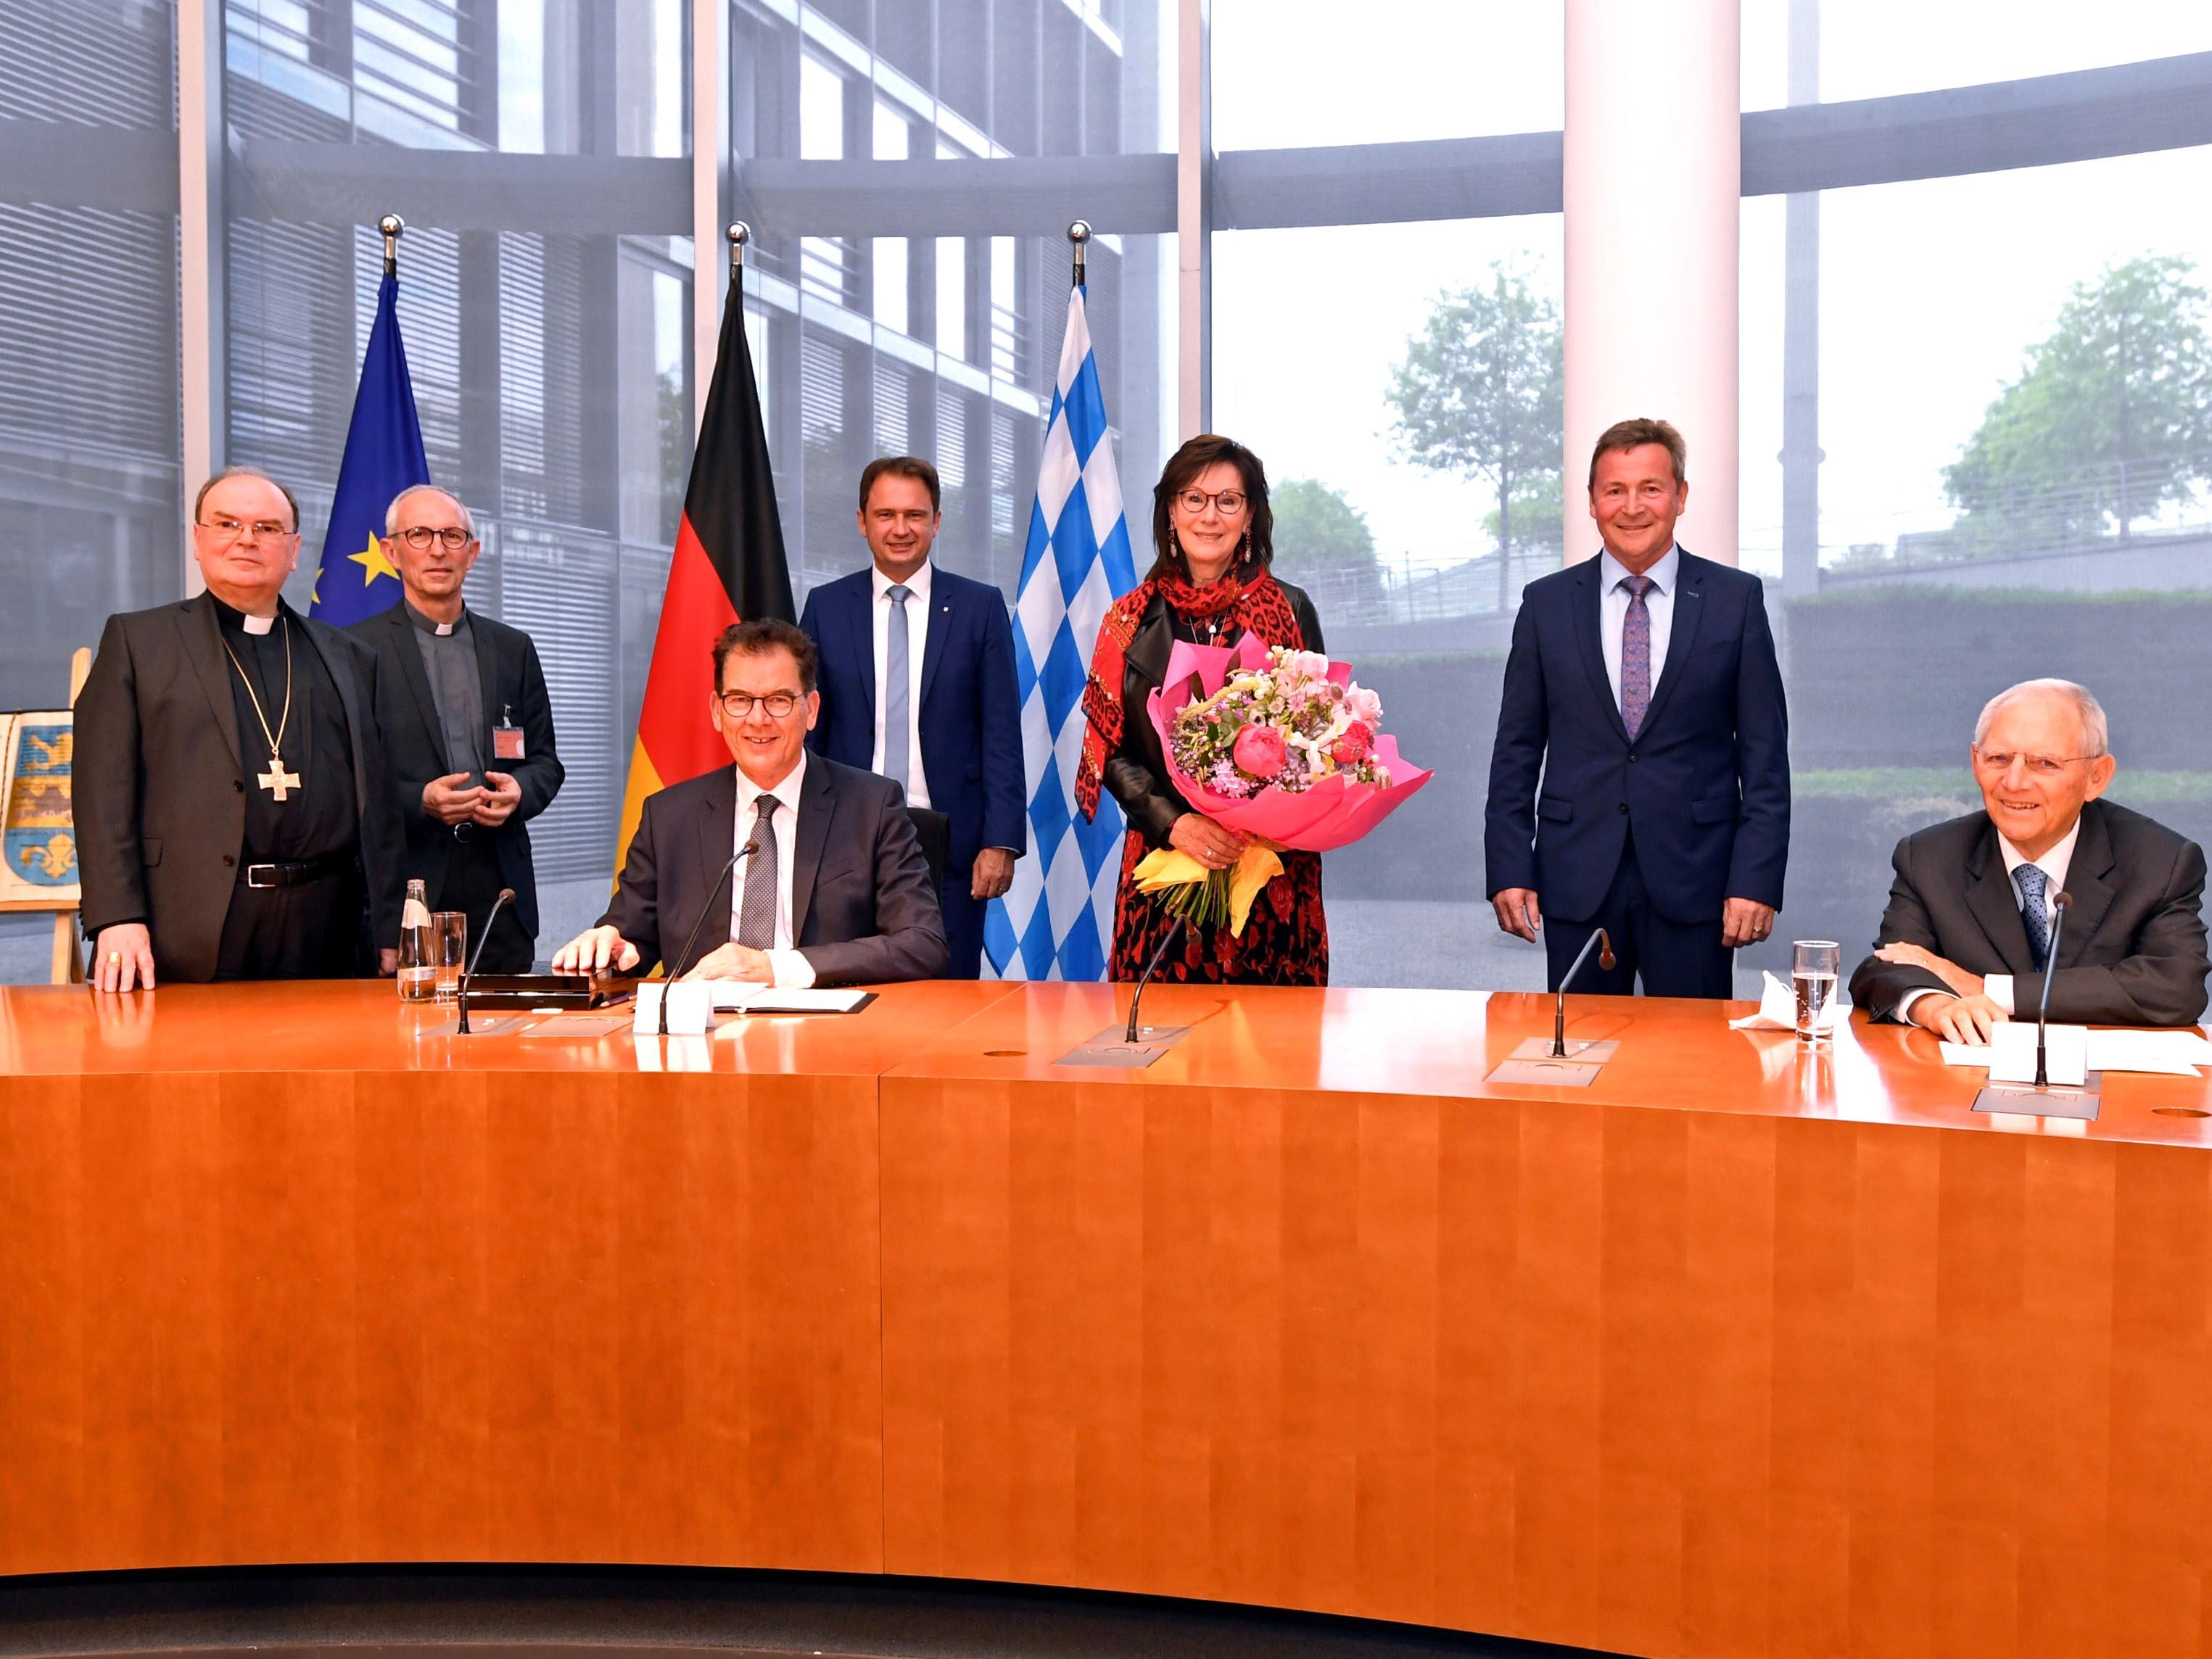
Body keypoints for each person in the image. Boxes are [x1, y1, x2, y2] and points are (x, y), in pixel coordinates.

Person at [1484, 417, 1790, 998]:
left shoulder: (1736, 600)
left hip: (1697, 878)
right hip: (1575, 876)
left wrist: (1756, 879)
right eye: (1614, 490)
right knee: (1578, 1064)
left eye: (1650, 488)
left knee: (1695, 1067)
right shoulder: (1546, 605)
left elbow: (1766, 759)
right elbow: (1516, 750)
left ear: (1680, 496)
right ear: (1592, 503)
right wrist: (1509, 865)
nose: (1632, 507)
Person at [75, 467, 406, 989]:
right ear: (199, 539)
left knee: (325, 1071)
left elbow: (379, 805)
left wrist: (391, 922)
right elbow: (101, 794)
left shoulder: (349, 658)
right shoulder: (140, 643)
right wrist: (116, 917)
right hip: (188, 924)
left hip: (329, 926)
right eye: (227, 524)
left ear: (294, 550)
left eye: (267, 528)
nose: (247, 539)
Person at [553, 618, 946, 985]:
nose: (758, 720)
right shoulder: (669, 817)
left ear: (811, 711)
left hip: (830, 1035)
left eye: (778, 700)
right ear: (716, 712)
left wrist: (774, 968)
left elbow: (921, 943)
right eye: (739, 700)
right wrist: (610, 944)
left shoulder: (871, 807)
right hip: (704, 1039)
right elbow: (631, 937)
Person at [1077, 434, 1327, 985]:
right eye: (1193, 499)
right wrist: (1177, 823)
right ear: (1170, 512)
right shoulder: (1129, 619)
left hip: (1270, 873)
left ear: (1250, 516)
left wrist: (1257, 825)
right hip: (1166, 864)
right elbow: (1108, 751)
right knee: (1162, 1047)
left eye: (1228, 501)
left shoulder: (1290, 609)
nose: (1209, 516)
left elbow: (1318, 740)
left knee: (1272, 1050)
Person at [1848, 679, 2208, 1039]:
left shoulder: (2161, 863)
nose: (2015, 782)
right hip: (1964, 1080)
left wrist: (1986, 989)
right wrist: (1935, 1005)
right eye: (1999, 759)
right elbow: (1887, 967)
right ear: (1975, 763)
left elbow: (2175, 987)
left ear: (2096, 777)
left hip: (2113, 1086)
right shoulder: (1930, 858)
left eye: (2045, 763)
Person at [798, 455, 1025, 978]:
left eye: (915, 515)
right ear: (862, 521)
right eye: (885, 515)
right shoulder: (827, 606)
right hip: (845, 837)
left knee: (948, 999)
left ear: (937, 521)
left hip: (951, 842)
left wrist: (1001, 840)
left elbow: (1000, 732)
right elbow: (809, 729)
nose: (900, 529)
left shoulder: (979, 607)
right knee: (850, 992)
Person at [347, 484, 564, 972]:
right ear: (391, 552)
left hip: (501, 896)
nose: (439, 550)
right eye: (420, 535)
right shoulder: (356, 652)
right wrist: (419, 801)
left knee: (505, 1041)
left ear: (474, 552)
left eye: (452, 536)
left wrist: (519, 792)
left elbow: (546, 762)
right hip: (408, 895)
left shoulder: (513, 648)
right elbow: (344, 780)